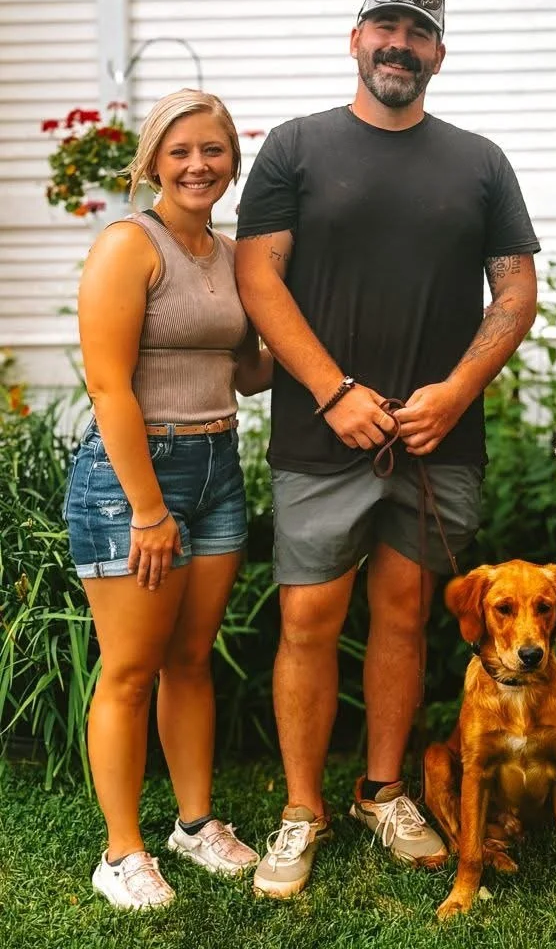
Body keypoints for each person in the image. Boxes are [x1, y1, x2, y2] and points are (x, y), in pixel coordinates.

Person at [234, 0, 539, 898]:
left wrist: (454, 392)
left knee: (404, 615)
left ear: (439, 54)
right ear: (356, 39)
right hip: (321, 434)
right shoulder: (295, 146)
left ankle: (382, 791)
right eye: (385, 26)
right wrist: (332, 392)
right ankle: (301, 810)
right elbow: (258, 278)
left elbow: (515, 291)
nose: (399, 43)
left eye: (418, 32)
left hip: (436, 441)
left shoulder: (480, 162)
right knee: (308, 622)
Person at [64, 88, 273, 909]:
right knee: (130, 670)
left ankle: (194, 824)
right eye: (180, 151)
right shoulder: (130, 245)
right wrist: (148, 510)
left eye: (212, 150)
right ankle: (121, 853)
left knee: (190, 660)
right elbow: (108, 387)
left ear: (232, 161)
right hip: (134, 477)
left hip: (218, 464)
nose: (197, 165)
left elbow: (247, 373)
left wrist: (314, 328)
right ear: (152, 162)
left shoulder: (229, 254)